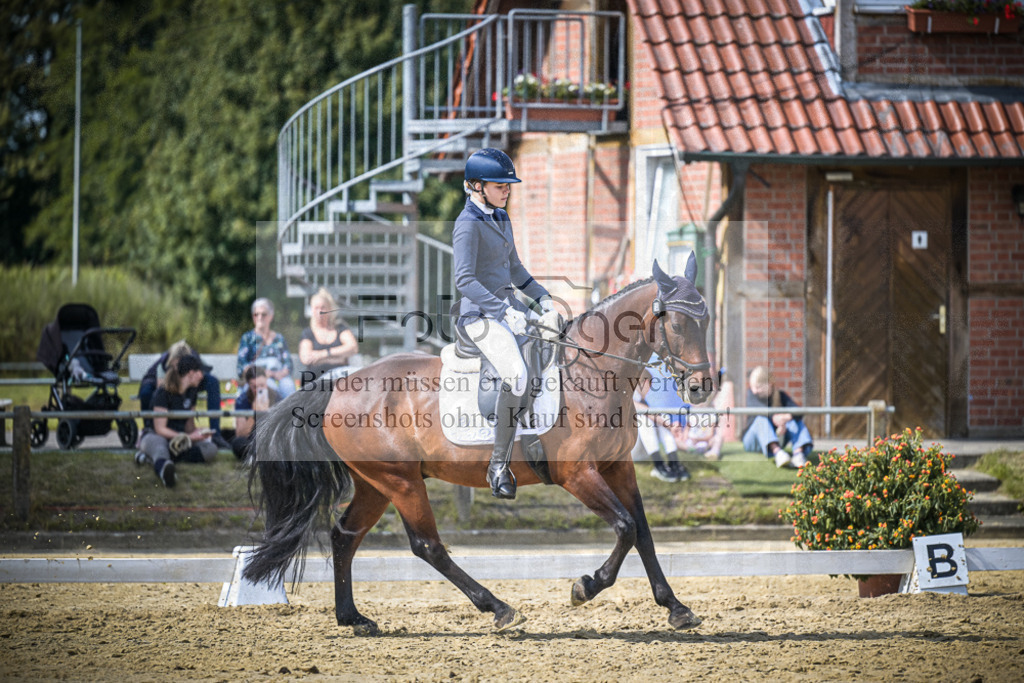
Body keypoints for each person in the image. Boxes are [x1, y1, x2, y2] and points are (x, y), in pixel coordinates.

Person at [453, 148, 560, 500]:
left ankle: (530, 435)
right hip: (479, 316)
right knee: (516, 374)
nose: (507, 190)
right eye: (500, 185)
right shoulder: (467, 224)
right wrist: (502, 311)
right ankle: (498, 465)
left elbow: (515, 268)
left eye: (508, 185)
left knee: (549, 353)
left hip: (509, 309)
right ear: (476, 186)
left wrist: (543, 298)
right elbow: (464, 280)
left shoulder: (501, 217)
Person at [135, 355, 217, 488]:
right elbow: (160, 429)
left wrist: (199, 433)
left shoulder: (192, 392)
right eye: (200, 372)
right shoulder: (163, 393)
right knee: (160, 446)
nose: (202, 376)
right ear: (191, 373)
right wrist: (188, 437)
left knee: (211, 449)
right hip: (156, 436)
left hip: (179, 440)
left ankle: (152, 458)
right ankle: (165, 470)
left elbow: (189, 426)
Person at [138, 340, 229, 450]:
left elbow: (202, 373)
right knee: (147, 393)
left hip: (187, 382)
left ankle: (216, 435)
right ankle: (148, 430)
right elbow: (162, 391)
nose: (179, 367)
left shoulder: (194, 362)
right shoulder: (164, 364)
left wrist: (195, 432)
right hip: (164, 385)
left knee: (212, 382)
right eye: (177, 364)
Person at [742, 365, 813, 468]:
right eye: (753, 387)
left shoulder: (781, 395)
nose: (755, 391)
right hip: (753, 441)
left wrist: (785, 418)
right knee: (761, 419)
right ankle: (778, 453)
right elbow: (760, 411)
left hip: (778, 436)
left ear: (769, 384)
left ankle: (798, 454)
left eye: (758, 387)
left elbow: (798, 412)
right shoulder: (752, 395)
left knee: (794, 421)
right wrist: (776, 419)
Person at [633, 366, 690, 482]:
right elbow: (646, 412)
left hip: (641, 446)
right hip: (629, 449)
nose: (650, 389)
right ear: (645, 382)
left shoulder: (642, 400)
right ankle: (659, 466)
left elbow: (654, 415)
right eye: (651, 384)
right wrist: (669, 425)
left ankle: (674, 462)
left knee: (660, 416)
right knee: (644, 419)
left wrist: (669, 425)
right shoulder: (628, 397)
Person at [237, 297, 295, 398]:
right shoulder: (248, 338)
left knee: (288, 386)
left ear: (271, 316)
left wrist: (275, 374)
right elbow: (242, 366)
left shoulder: (279, 338)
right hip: (256, 377)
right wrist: (262, 374)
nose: (260, 317)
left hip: (279, 376)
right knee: (268, 385)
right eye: (256, 314)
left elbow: (288, 364)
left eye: (263, 314)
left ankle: (292, 409)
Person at [297, 287, 359, 381]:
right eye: (316, 308)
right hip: (317, 377)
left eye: (323, 307)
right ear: (312, 310)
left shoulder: (340, 328)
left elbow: (353, 348)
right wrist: (338, 358)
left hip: (341, 375)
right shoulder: (308, 333)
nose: (320, 311)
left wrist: (323, 354)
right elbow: (306, 358)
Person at [230, 365, 281, 461]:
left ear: (266, 381)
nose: (258, 390)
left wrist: (266, 414)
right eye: (254, 387)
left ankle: (259, 456)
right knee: (237, 443)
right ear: (249, 385)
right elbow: (241, 434)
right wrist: (253, 415)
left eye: (262, 385)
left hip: (270, 439)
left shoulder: (276, 397)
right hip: (251, 440)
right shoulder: (242, 400)